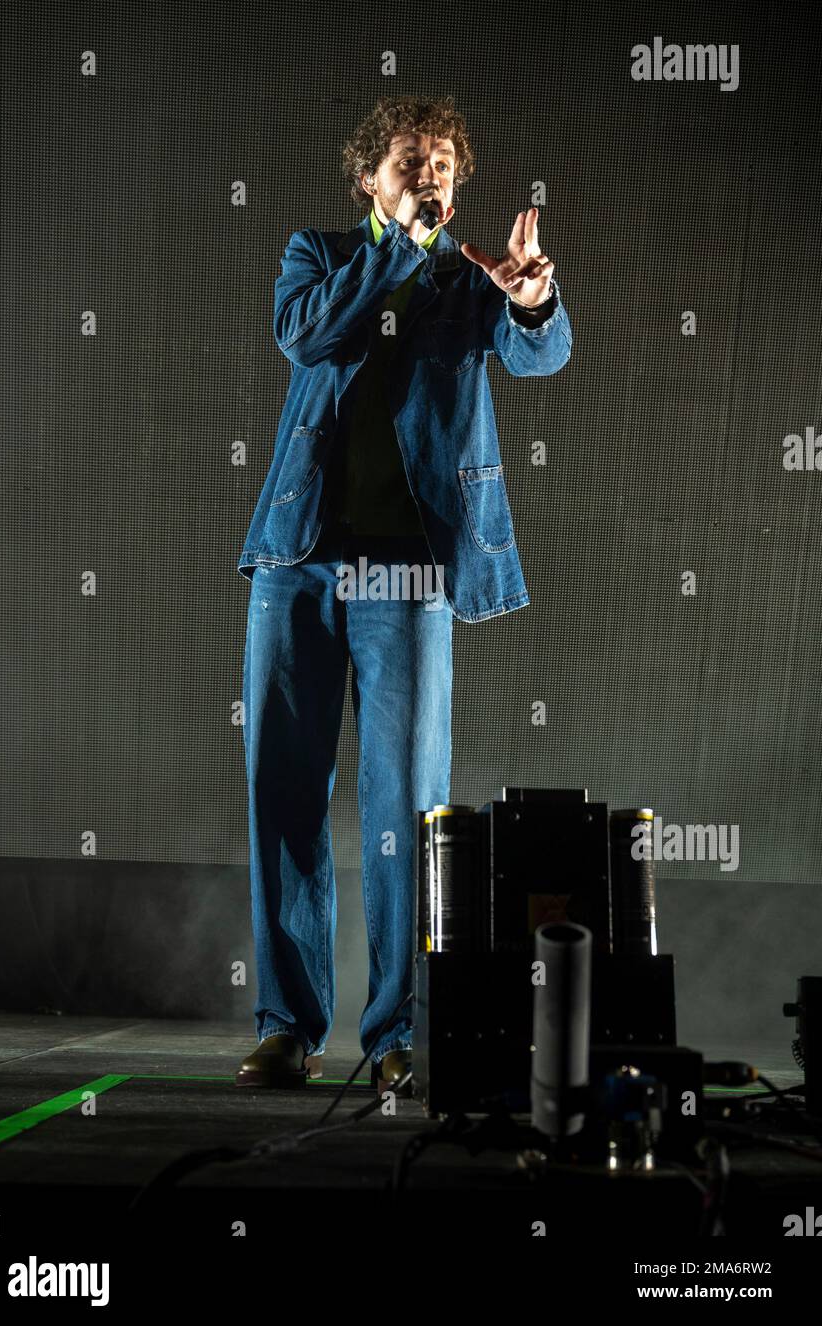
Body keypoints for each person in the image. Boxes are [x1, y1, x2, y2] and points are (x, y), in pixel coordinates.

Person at [235, 94, 572, 1093]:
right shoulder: (322, 255)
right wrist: (392, 250)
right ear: (369, 181)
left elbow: (538, 352)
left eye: (446, 165)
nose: (434, 176)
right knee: (282, 795)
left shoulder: (469, 279)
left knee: (409, 809)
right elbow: (309, 339)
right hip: (298, 559)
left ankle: (397, 1036)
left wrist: (529, 298)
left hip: (411, 571)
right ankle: (288, 1027)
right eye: (413, 161)